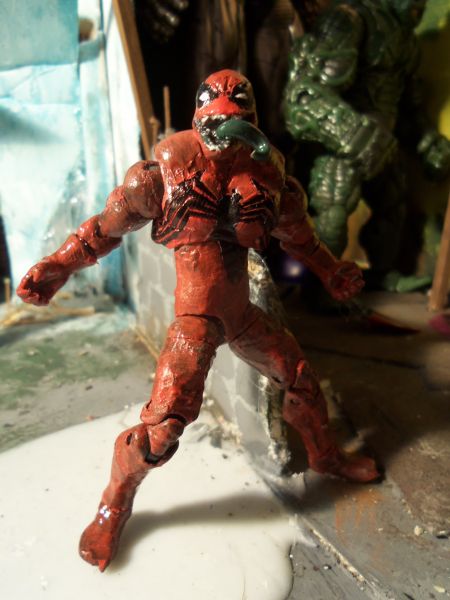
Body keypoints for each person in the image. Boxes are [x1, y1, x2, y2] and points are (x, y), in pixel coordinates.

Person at [17, 70, 379, 572]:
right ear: (198, 116)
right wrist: (57, 267)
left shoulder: (269, 174)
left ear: (251, 119)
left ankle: (326, 457)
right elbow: (103, 229)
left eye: (238, 109)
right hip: (194, 322)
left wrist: (332, 271)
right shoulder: (159, 175)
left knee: (298, 376)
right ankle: (113, 505)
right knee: (160, 431)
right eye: (216, 110)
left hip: (242, 316)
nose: (226, 125)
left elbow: (300, 238)